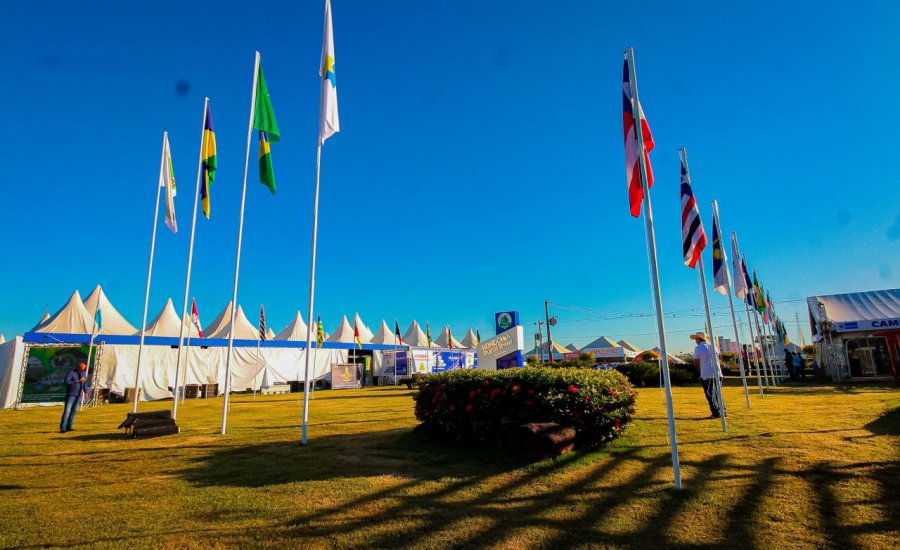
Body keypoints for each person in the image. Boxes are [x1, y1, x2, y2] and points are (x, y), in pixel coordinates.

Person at [691, 332, 725, 419]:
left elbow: (696, 361)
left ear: (698, 339)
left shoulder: (698, 348)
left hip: (707, 374)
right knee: (718, 394)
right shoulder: (713, 347)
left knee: (710, 394)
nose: (695, 341)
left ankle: (716, 413)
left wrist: (700, 371)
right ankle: (723, 411)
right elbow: (719, 359)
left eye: (696, 339)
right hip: (717, 373)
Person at [60, 362, 89, 433]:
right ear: (78, 367)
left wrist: (86, 392)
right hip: (71, 395)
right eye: (82, 369)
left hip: (79, 395)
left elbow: (84, 383)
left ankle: (69, 426)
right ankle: (63, 428)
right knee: (67, 411)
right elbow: (66, 382)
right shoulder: (71, 373)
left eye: (84, 369)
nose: (83, 371)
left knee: (74, 411)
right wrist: (77, 381)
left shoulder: (83, 374)